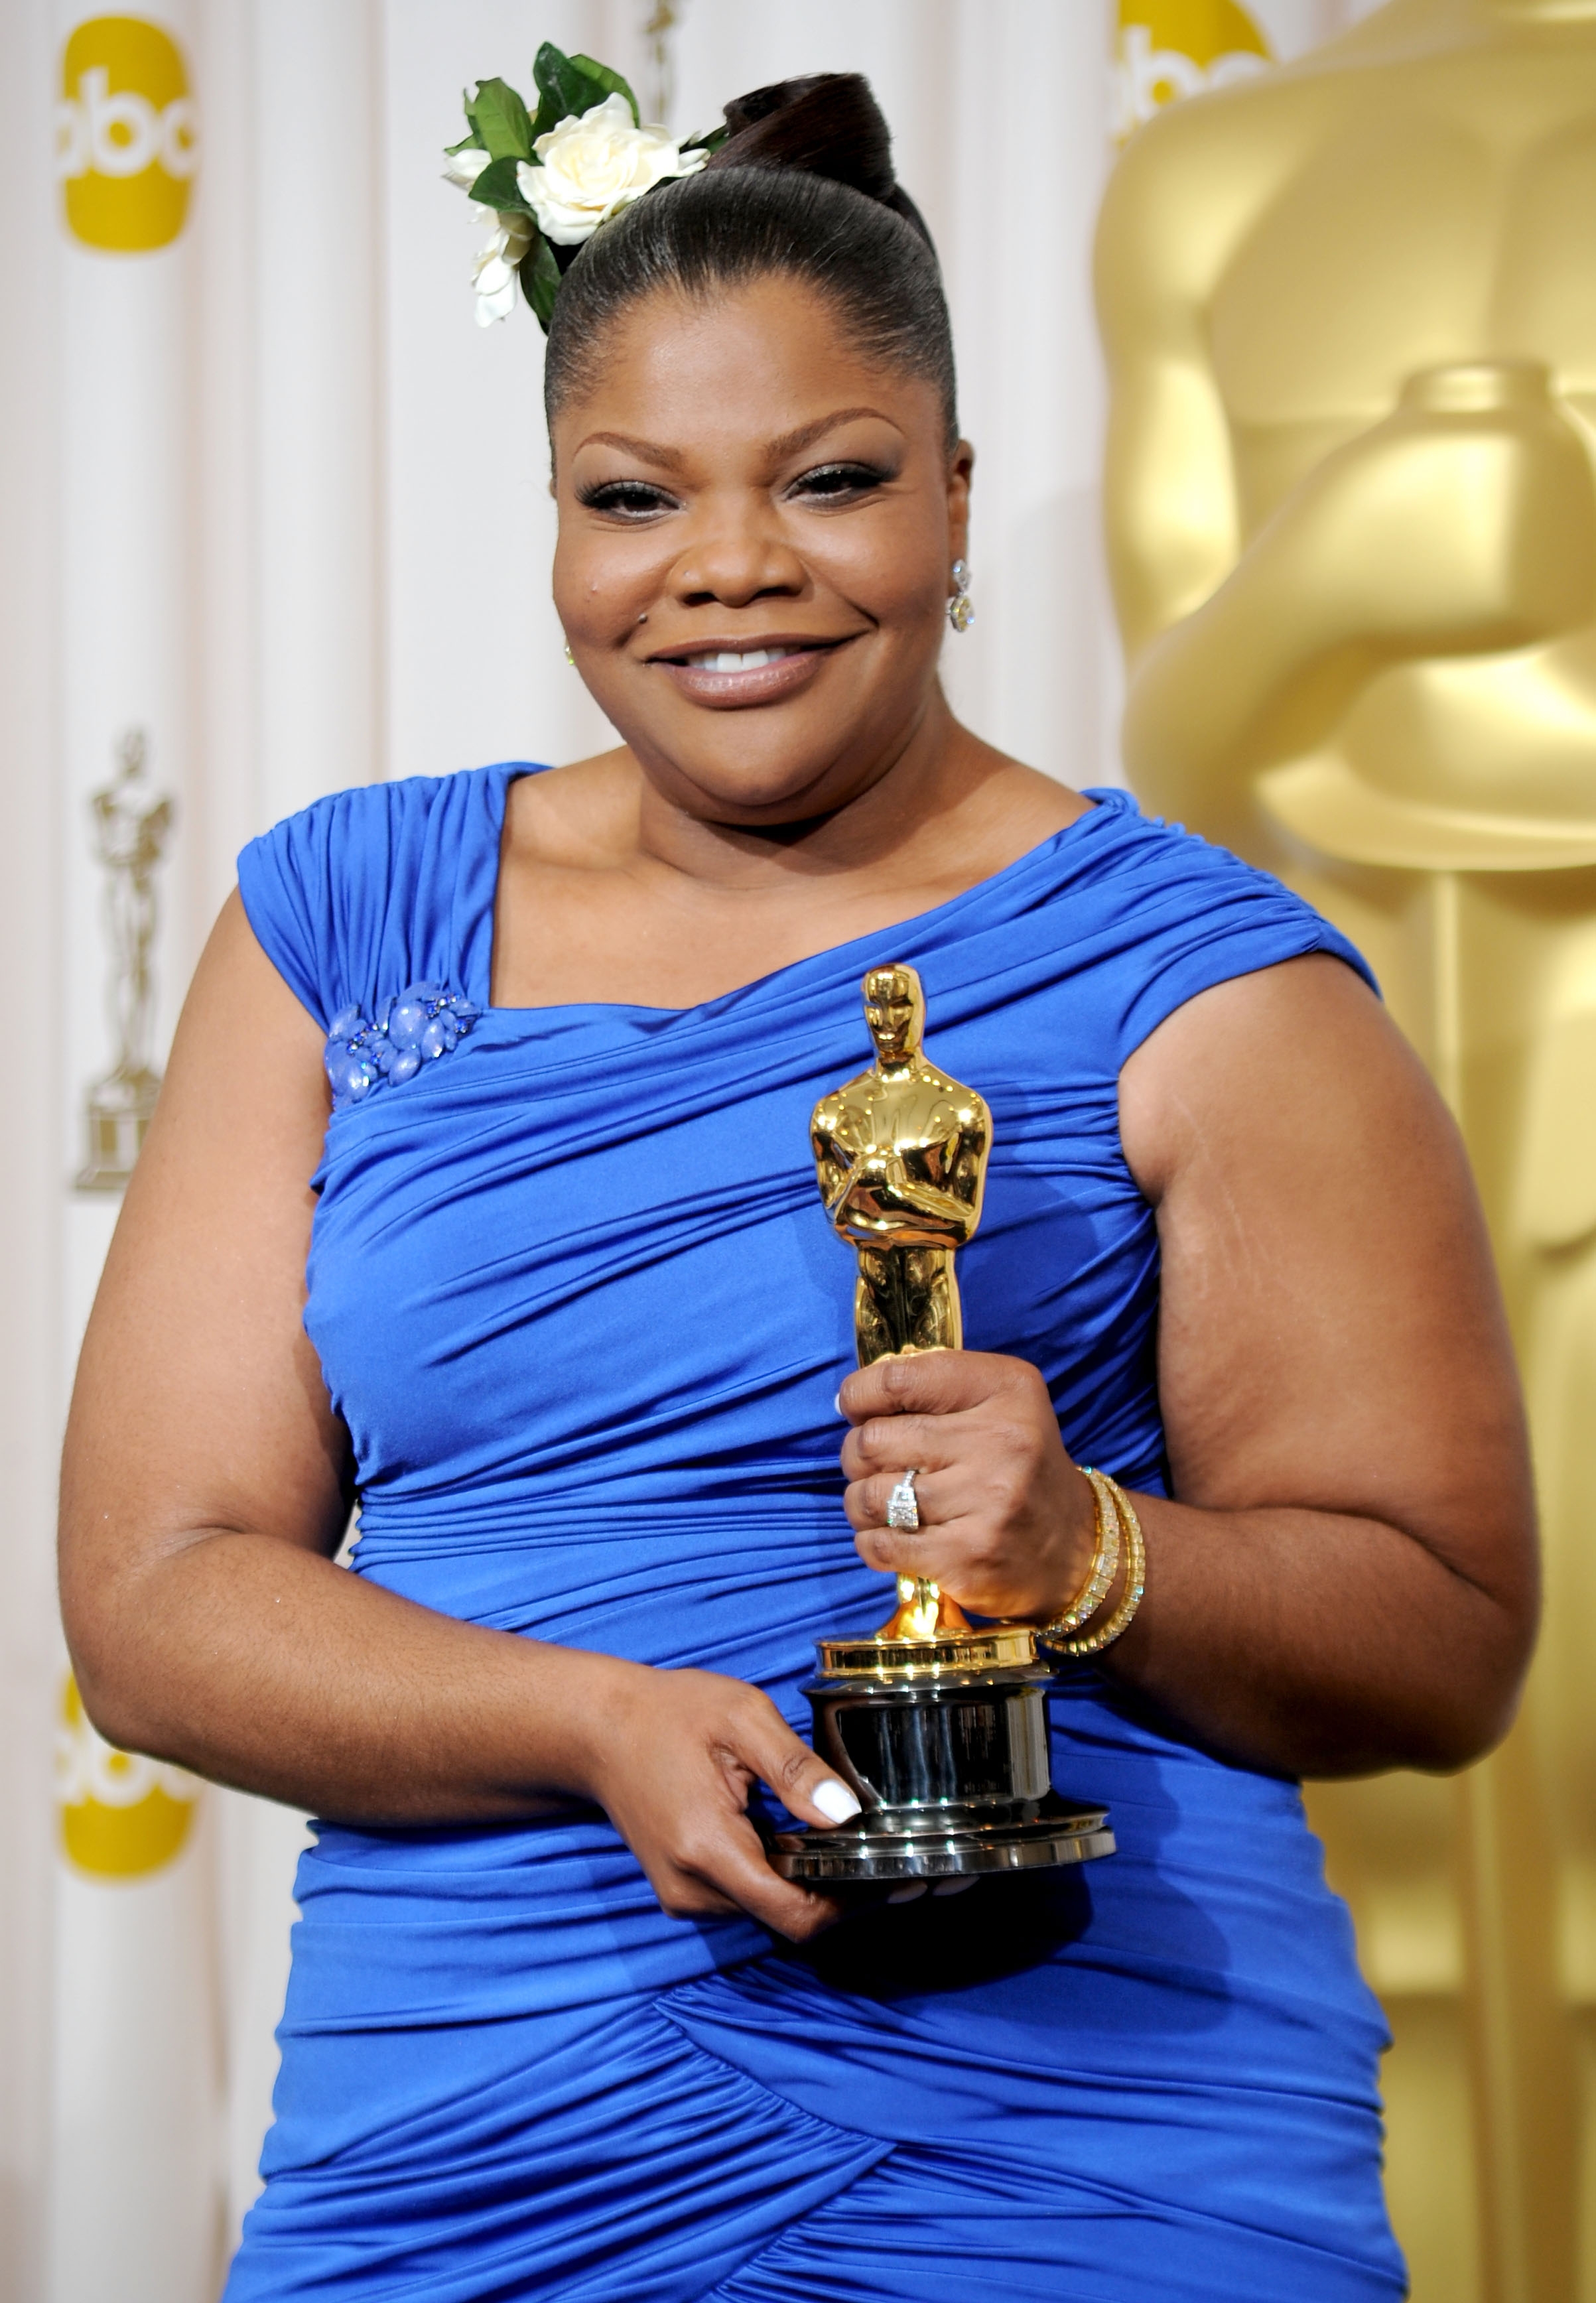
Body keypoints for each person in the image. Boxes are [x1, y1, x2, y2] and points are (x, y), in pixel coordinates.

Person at [59, 69, 1536, 2303]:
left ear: (956, 498)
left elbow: (1439, 1640)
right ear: (556, 520)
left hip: (1077, 2144)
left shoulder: (1203, 976)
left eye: (830, 480)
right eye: (633, 497)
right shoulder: (338, 924)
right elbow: (158, 1597)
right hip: (476, 2139)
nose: (728, 566)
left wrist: (1090, 1549)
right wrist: (589, 1720)